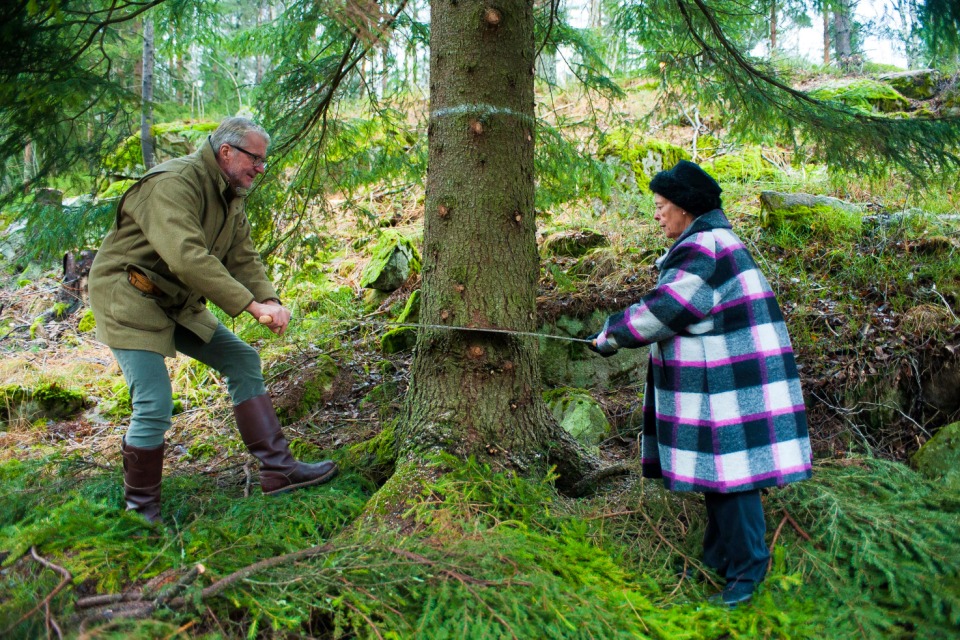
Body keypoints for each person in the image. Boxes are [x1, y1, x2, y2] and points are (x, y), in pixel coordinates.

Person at [89, 117, 338, 523]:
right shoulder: (173, 183)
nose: (261, 168)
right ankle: (141, 514)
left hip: (173, 299)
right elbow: (187, 257)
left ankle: (279, 470)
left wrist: (269, 298)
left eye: (264, 161)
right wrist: (251, 307)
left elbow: (242, 256)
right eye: (255, 159)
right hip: (128, 297)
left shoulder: (229, 194)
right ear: (227, 152)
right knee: (154, 403)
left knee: (241, 360)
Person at [588, 160, 812, 607]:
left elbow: (665, 310)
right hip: (731, 381)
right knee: (721, 477)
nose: (657, 214)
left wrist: (611, 334)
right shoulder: (712, 241)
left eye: (661, 205)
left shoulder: (704, 246)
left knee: (732, 480)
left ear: (686, 208)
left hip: (728, 385)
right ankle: (718, 560)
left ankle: (748, 575)